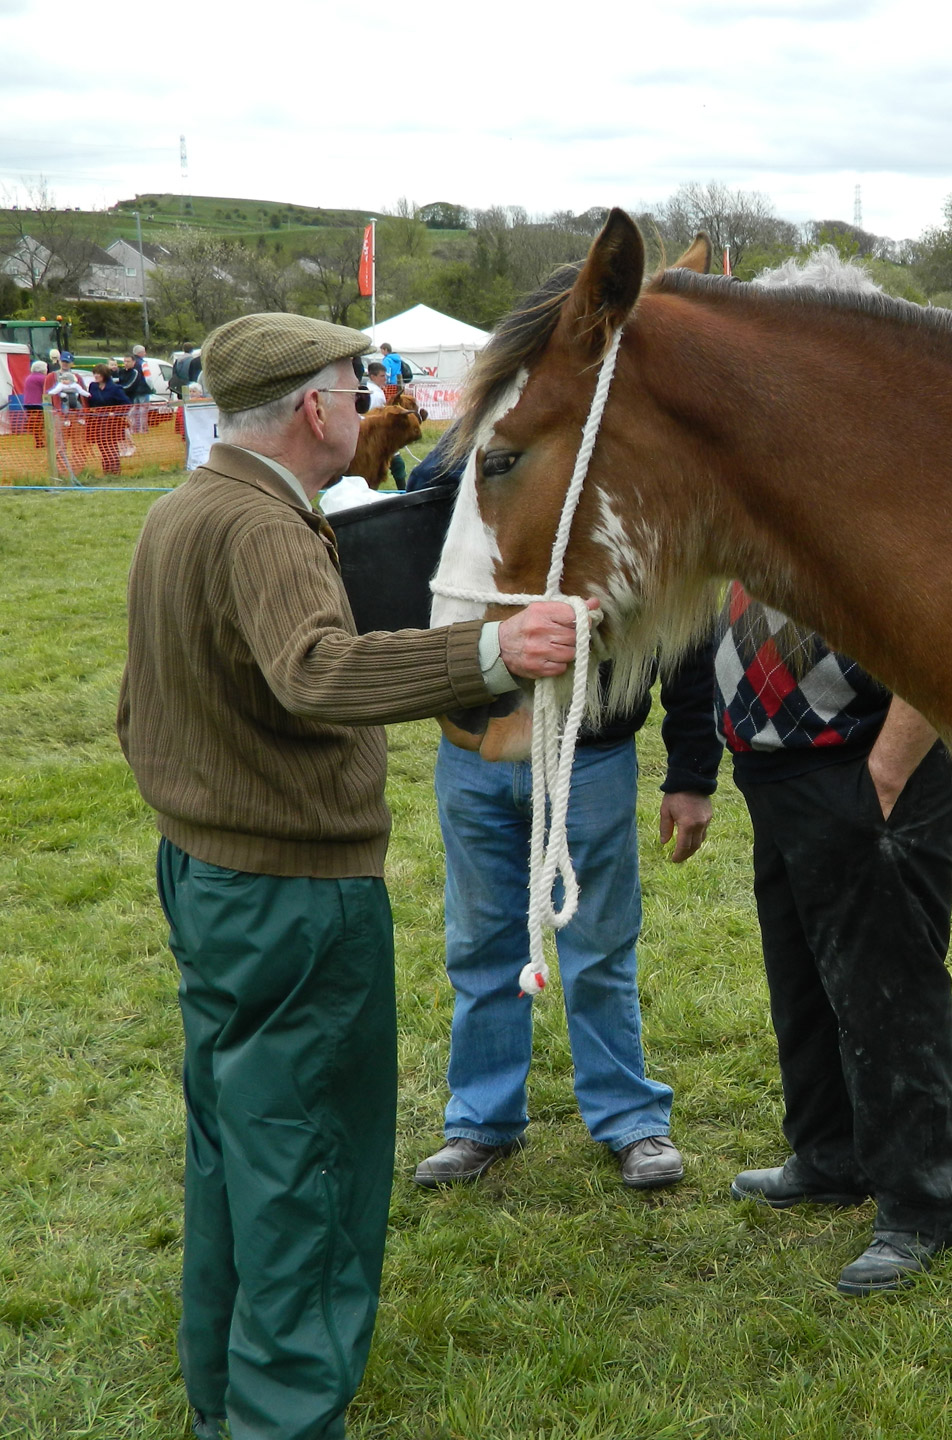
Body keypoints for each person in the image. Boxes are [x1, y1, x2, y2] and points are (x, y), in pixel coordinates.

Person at [117, 311, 586, 1440]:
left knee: (239, 1149)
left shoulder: (184, 510)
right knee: (310, 1172)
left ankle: (227, 1398)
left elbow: (140, 708)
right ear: (317, 408)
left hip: (212, 878)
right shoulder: (266, 529)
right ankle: (283, 1418)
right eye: (351, 381)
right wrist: (492, 651)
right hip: (292, 899)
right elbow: (315, 672)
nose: (365, 397)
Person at [410, 425, 721, 1190]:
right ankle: (480, 1121)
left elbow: (685, 638)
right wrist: (494, 431)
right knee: (481, 943)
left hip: (593, 755)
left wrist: (691, 772)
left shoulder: (628, 496)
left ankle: (630, 1121)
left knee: (600, 945)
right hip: (477, 745)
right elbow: (424, 481)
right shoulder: (487, 468)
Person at [717, 584, 952, 1294]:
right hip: (781, 770)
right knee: (800, 974)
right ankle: (830, 1156)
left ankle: (925, 1207)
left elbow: (944, 627)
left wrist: (886, 774)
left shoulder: (903, 485)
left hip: (864, 766)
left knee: (886, 988)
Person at [86, 364, 132, 475]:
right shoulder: (93, 386)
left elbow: (127, 404)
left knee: (111, 446)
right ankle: (106, 471)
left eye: (98, 373)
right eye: (95, 373)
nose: (96, 376)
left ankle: (115, 472)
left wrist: (115, 413)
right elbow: (88, 402)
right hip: (96, 421)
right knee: (101, 446)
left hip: (112, 423)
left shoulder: (115, 388)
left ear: (105, 375)